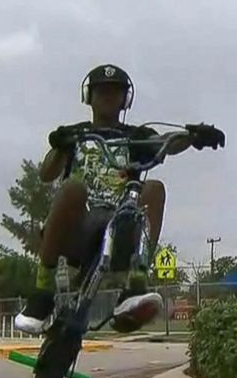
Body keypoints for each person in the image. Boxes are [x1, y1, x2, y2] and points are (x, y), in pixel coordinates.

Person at [14, 64, 224, 334]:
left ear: (126, 99)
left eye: (115, 93)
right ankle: (42, 293)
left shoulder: (135, 137)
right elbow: (46, 174)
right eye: (102, 92)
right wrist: (60, 146)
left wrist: (192, 136)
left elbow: (165, 143)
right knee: (73, 189)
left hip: (120, 228)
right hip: (78, 226)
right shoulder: (76, 134)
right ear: (89, 97)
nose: (108, 98)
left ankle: (135, 284)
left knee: (155, 188)